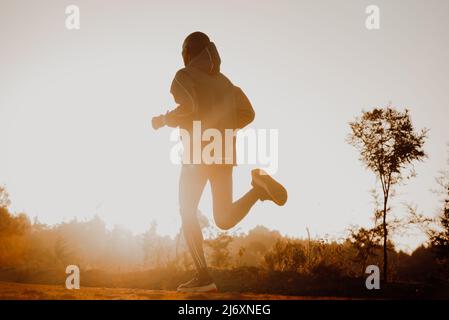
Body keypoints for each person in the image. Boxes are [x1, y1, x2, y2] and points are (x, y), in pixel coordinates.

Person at [152, 31, 287, 292]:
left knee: (187, 211)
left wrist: (163, 120)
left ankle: (203, 277)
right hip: (223, 152)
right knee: (224, 218)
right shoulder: (226, 83)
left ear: (187, 53)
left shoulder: (184, 76)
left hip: (197, 153)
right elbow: (248, 113)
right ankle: (258, 189)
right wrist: (222, 125)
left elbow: (189, 109)